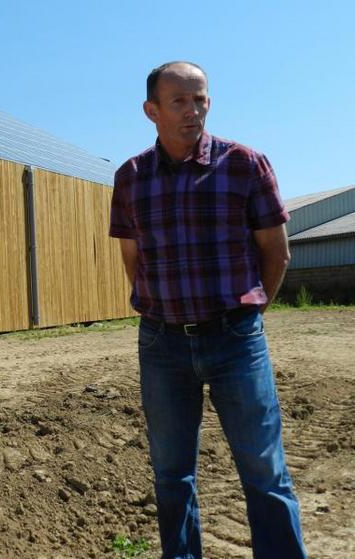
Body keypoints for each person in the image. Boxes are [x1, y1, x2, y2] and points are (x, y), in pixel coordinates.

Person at [109, 61, 307, 558]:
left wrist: (248, 314)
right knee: (171, 472)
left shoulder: (244, 164)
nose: (193, 110)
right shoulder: (130, 177)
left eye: (200, 99)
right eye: (179, 101)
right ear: (151, 110)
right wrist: (162, 308)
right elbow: (132, 257)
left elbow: (276, 251)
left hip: (234, 339)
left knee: (263, 470)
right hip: (162, 344)